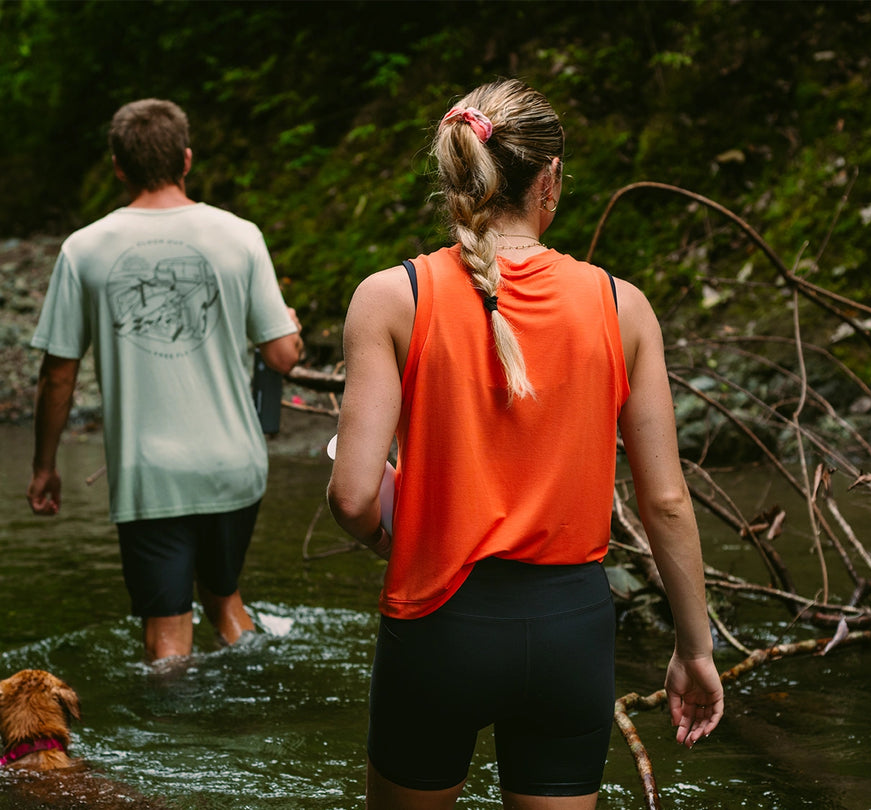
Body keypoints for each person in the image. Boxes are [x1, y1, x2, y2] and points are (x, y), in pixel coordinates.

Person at [326, 78, 723, 810]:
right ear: (550, 181)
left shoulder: (392, 297)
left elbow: (351, 497)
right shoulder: (621, 306)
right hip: (570, 629)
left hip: (437, 623)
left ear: (458, 175)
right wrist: (694, 651)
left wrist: (394, 530)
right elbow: (665, 502)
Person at [28, 99, 303, 664]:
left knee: (168, 627)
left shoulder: (83, 249)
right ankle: (250, 708)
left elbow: (58, 375)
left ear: (118, 168)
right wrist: (291, 330)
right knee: (225, 600)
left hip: (149, 473)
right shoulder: (241, 236)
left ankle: (175, 739)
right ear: (186, 159)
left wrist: (45, 466)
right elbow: (281, 356)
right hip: (234, 463)